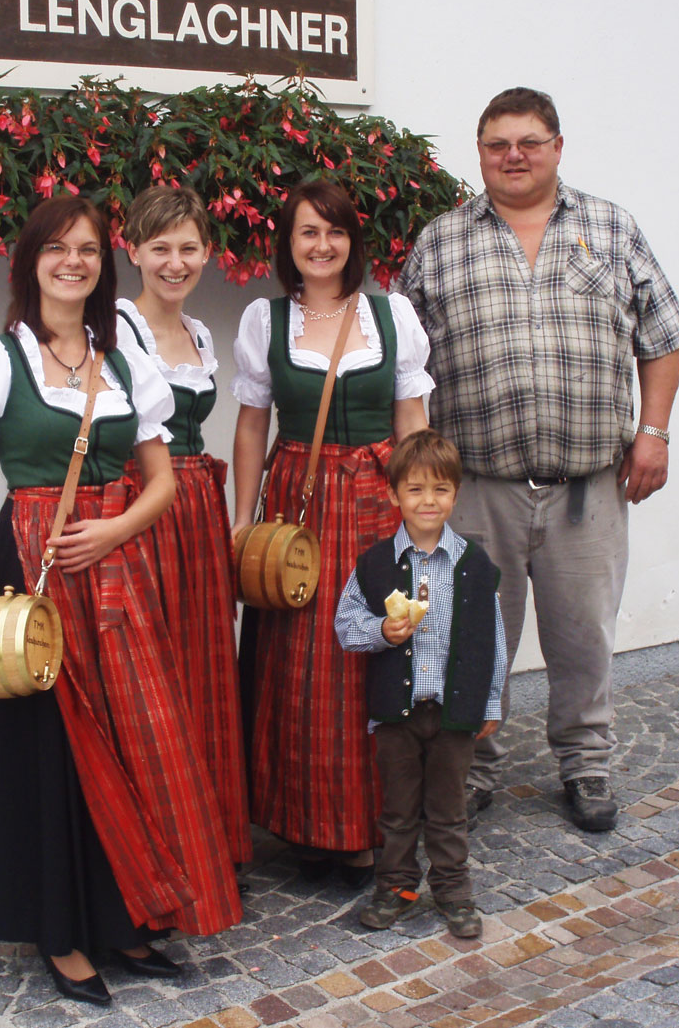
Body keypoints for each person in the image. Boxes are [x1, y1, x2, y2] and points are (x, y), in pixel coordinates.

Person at [0, 196, 241, 1007]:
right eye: (57, 248)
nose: (73, 261)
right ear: (30, 259)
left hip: (117, 567)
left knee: (137, 739)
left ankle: (125, 915)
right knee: (54, 750)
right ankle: (62, 933)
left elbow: (166, 480)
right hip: (35, 566)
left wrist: (113, 535)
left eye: (85, 250)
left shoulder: (124, 362)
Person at [396, 87, 679, 832]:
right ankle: (472, 768)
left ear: (557, 146)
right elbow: (406, 367)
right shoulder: (440, 241)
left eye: (529, 141)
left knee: (584, 633)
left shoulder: (611, 227)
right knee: (470, 636)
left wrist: (653, 432)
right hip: (478, 488)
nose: (514, 156)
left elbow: (661, 337)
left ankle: (586, 762)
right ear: (481, 152)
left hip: (586, 487)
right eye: (498, 144)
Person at [231, 179, 435, 883]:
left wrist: (426, 510)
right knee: (300, 663)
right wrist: (244, 516)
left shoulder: (392, 313)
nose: (322, 245)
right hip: (301, 500)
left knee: (376, 651)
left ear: (353, 241)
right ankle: (308, 822)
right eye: (308, 232)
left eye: (335, 232)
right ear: (289, 245)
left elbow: (413, 420)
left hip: (379, 497)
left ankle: (376, 824)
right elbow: (253, 423)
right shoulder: (265, 320)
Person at [117, 185, 252, 868]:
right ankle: (163, 845)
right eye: (160, 247)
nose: (175, 262)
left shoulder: (199, 333)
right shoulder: (116, 329)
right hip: (142, 507)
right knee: (154, 673)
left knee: (205, 664)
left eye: (189, 247)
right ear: (133, 249)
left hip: (200, 503)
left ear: (207, 253)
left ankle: (212, 838)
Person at [335, 429, 506, 937]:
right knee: (399, 810)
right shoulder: (375, 564)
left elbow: (492, 637)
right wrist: (382, 632)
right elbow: (346, 627)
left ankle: (454, 892)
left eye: (439, 490)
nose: (428, 501)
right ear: (394, 495)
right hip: (396, 716)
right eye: (415, 489)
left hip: (452, 714)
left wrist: (491, 700)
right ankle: (399, 887)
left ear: (455, 494)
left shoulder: (474, 565)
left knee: (449, 810)